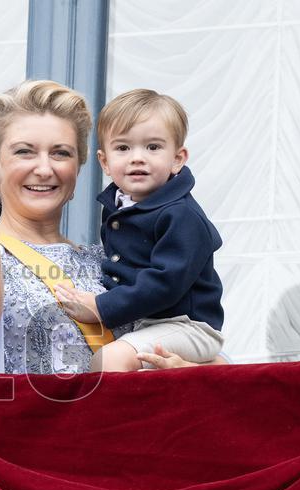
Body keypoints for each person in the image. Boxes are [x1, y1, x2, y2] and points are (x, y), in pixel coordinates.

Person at [0, 80, 129, 375]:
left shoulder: (105, 261)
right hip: (6, 419)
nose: (45, 169)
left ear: (78, 169)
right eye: (24, 152)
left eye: (61, 153)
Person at [54, 89, 224, 372]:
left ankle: (112, 417)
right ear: (105, 162)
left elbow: (164, 283)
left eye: (153, 147)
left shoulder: (181, 215)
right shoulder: (120, 207)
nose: (137, 158)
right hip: (149, 323)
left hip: (188, 326)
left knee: (110, 360)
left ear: (178, 159)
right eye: (123, 148)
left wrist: (101, 305)